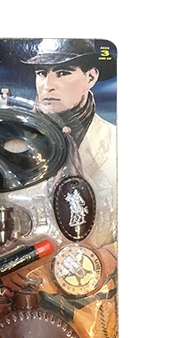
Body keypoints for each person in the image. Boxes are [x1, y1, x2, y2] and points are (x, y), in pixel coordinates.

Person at [22, 38, 117, 252]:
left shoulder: (115, 142)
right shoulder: (7, 144)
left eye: (63, 73)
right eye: (41, 73)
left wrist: (110, 256)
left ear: (90, 77)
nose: (48, 85)